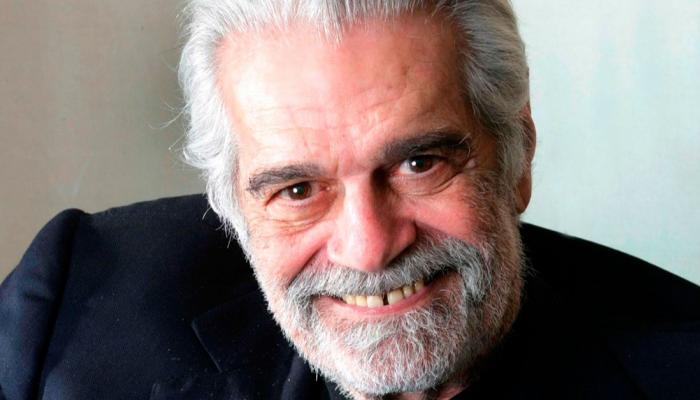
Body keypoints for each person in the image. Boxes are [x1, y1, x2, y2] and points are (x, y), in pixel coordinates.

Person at [1, 1, 699, 399]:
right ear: (234, 205)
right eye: (297, 190)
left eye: (420, 164)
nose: (368, 249)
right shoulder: (70, 314)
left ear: (517, 157)